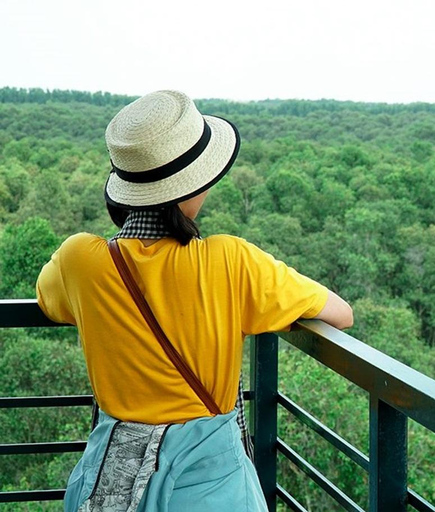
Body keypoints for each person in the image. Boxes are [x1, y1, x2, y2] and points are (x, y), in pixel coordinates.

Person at [36, 90, 353, 511]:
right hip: (211, 486)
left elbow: (48, 300)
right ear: (191, 186)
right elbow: (340, 314)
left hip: (113, 485)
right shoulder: (230, 260)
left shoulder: (79, 260)